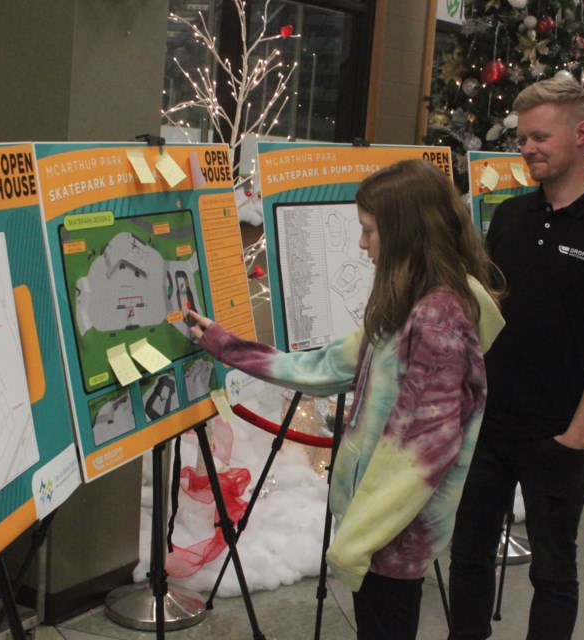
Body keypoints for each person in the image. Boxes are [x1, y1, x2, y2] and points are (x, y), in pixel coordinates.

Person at [186, 158, 504, 640]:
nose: (362, 245)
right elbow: (329, 365)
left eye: (369, 231)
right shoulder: (412, 302)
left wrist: (355, 542)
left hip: (391, 534)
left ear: (405, 232)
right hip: (379, 526)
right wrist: (225, 344)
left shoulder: (439, 321)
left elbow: (419, 456)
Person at [448, 78, 584, 640]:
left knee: (553, 572)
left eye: (540, 136)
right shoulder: (511, 217)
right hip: (490, 426)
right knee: (467, 557)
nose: (527, 148)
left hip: (560, 433)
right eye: (522, 138)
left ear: (581, 134)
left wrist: (576, 439)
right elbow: (486, 313)